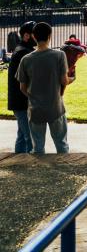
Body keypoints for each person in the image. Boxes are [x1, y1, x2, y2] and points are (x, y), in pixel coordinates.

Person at [17, 22, 70, 154]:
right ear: (50, 35)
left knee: (38, 148)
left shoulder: (26, 59)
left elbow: (22, 87)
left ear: (34, 36)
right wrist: (71, 79)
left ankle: (39, 173)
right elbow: (64, 80)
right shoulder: (59, 55)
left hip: (36, 109)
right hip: (55, 107)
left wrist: (33, 96)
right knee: (61, 144)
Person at [7, 21, 36, 153]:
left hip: (19, 101)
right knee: (31, 138)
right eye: (35, 34)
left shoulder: (23, 50)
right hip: (21, 101)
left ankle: (18, 162)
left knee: (22, 136)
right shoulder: (23, 53)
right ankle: (31, 166)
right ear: (26, 35)